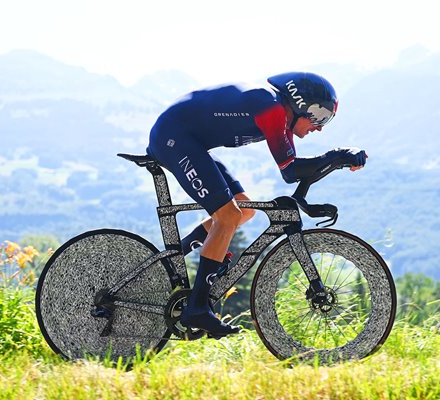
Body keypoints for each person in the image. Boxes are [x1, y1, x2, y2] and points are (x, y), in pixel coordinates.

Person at [146, 72, 367, 337]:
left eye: (326, 121)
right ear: (300, 104)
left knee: (244, 209)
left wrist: (335, 162)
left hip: (186, 139)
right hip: (173, 138)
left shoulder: (280, 116)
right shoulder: (271, 108)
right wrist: (338, 156)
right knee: (227, 217)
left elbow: (291, 172)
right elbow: (292, 170)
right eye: (320, 117)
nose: (320, 127)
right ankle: (197, 307)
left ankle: (168, 264)